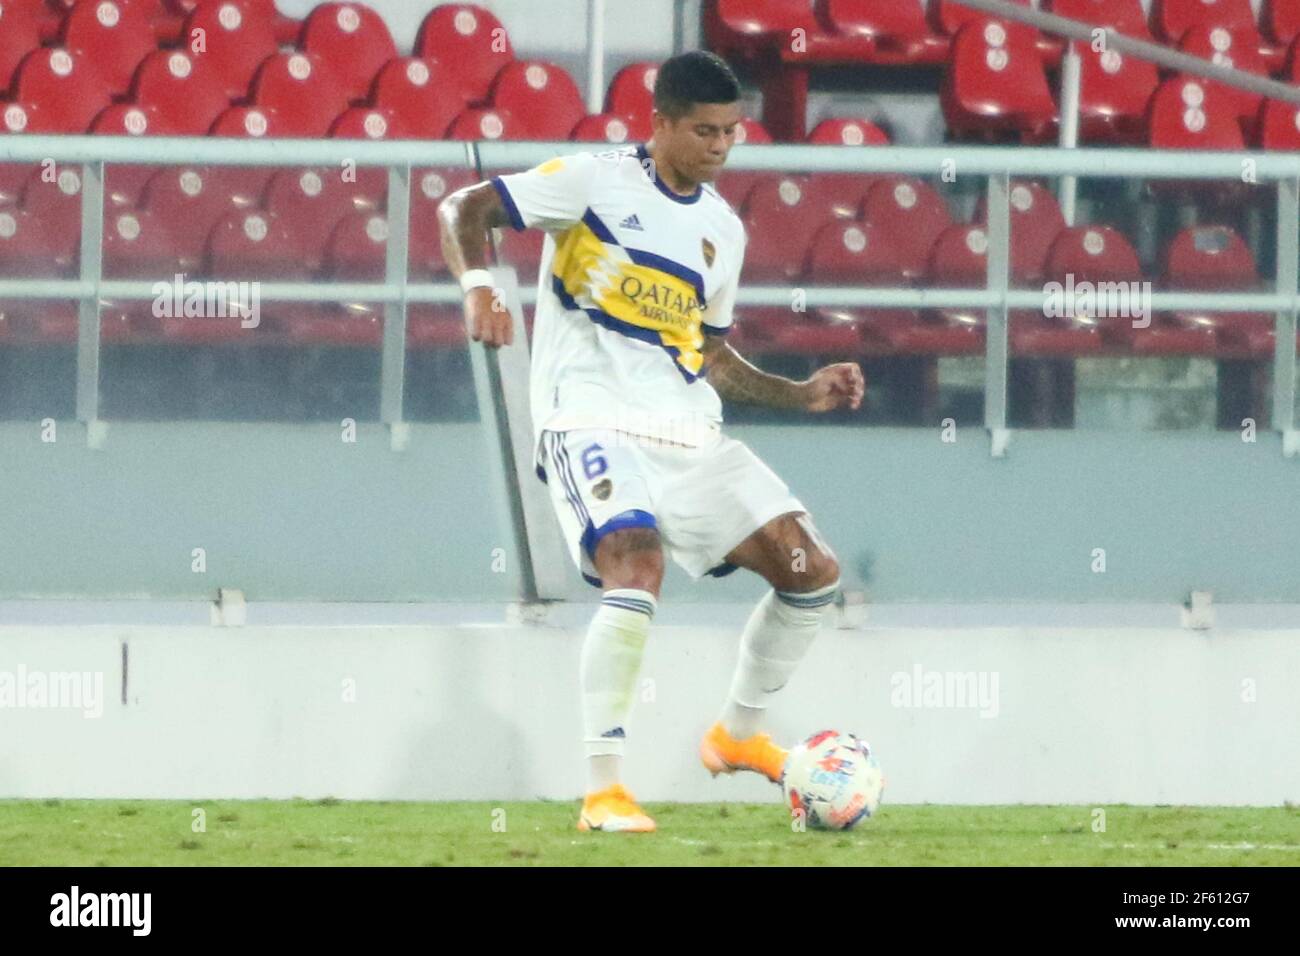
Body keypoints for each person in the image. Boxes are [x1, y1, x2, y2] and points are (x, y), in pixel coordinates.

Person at [437, 50, 864, 832]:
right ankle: (604, 789)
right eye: (704, 131)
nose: (721, 148)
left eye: (732, 133)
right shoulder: (590, 181)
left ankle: (735, 737)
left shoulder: (721, 231)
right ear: (660, 123)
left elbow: (706, 355)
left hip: (688, 433)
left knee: (812, 571)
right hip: (589, 418)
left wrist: (798, 392)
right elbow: (463, 208)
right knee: (636, 562)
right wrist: (479, 287)